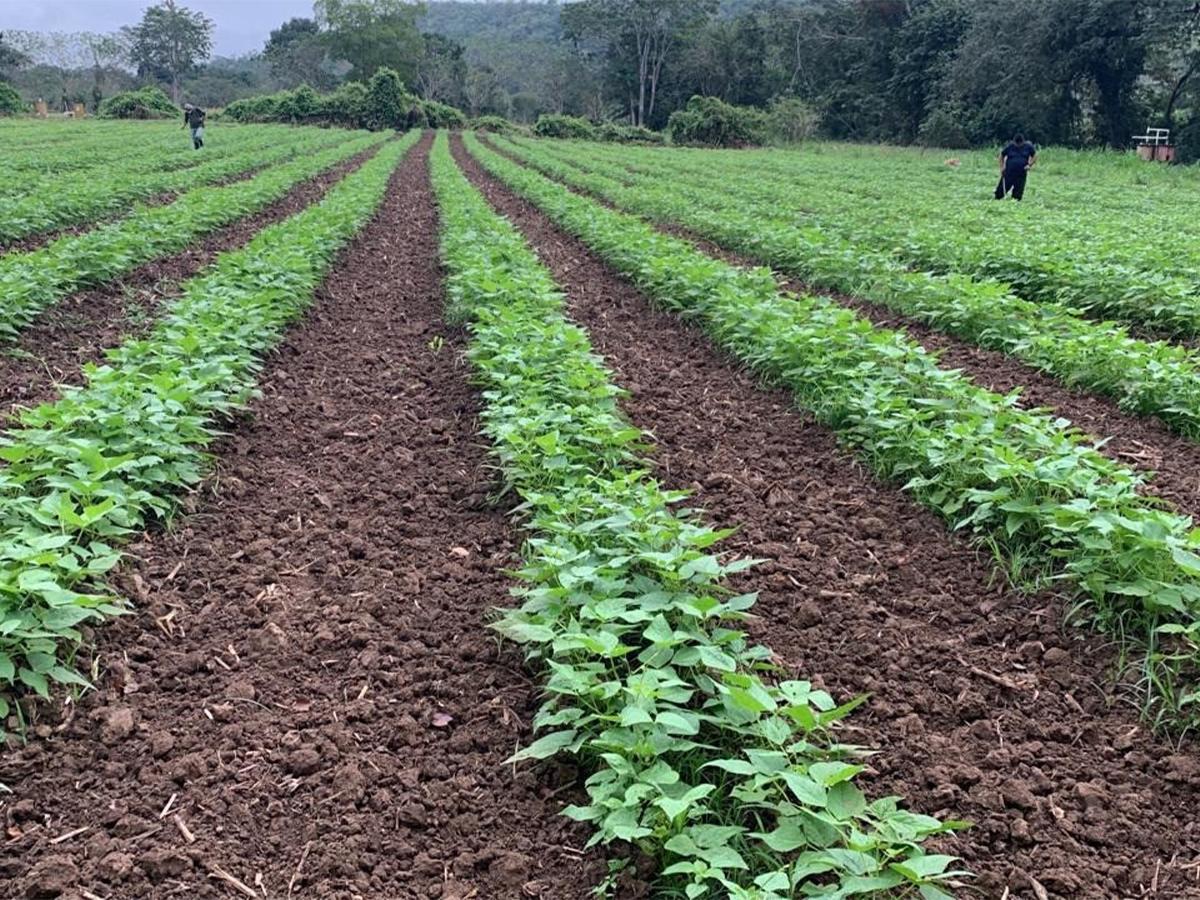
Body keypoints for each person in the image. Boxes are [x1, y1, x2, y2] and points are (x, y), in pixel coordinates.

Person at [995, 133, 1036, 200]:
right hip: (1009, 172)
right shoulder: (1010, 146)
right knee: (1000, 191)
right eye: (1017, 144)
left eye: (1020, 144)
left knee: (1018, 193)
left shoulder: (1028, 147)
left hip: (1021, 173)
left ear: (1023, 142)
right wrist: (1002, 167)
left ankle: (1015, 202)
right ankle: (998, 199)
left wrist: (1029, 165)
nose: (1018, 145)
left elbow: (1034, 156)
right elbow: (1001, 156)